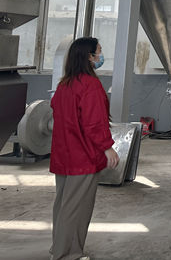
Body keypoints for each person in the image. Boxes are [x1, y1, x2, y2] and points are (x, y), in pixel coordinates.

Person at [49, 36, 119, 260]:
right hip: (83, 156)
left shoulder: (65, 84)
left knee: (63, 205)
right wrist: (107, 147)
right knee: (77, 209)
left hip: (64, 155)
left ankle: (58, 248)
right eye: (99, 51)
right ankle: (67, 254)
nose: (101, 55)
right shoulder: (90, 85)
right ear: (89, 57)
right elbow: (94, 122)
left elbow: (56, 112)